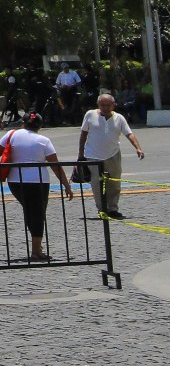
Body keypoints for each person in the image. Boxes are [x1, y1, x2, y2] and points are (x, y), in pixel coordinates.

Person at [2, 114, 75, 262]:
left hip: (15, 181)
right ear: (39, 126)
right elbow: (55, 166)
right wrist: (66, 186)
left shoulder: (11, 134)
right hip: (38, 181)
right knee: (37, 215)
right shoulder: (44, 140)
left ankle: (37, 247)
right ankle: (36, 251)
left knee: (30, 211)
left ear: (23, 123)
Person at [75, 93, 144, 221]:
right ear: (98, 105)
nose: (105, 108)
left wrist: (138, 148)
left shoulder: (120, 118)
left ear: (113, 105)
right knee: (97, 184)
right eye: (102, 105)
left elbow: (129, 134)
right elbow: (83, 134)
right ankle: (102, 210)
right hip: (93, 155)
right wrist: (80, 154)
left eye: (108, 105)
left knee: (114, 183)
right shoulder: (90, 115)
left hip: (113, 154)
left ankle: (113, 209)